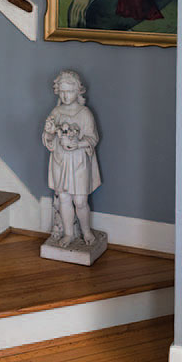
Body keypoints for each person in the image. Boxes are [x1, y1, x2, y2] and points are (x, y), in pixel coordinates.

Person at [42, 70, 101, 247]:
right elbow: (48, 139)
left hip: (79, 162)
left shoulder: (84, 113)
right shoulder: (56, 111)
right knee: (64, 198)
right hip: (60, 161)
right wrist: (49, 131)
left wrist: (79, 144)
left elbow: (93, 138)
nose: (65, 95)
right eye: (62, 91)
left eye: (69, 91)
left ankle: (86, 231)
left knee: (80, 200)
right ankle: (68, 234)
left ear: (78, 91)